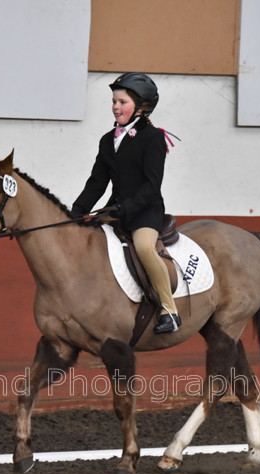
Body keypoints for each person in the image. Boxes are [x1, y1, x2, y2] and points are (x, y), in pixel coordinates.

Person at [70, 72, 180, 334]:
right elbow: (97, 181)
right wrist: (78, 209)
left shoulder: (152, 137)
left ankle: (170, 310)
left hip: (144, 212)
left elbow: (152, 186)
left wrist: (128, 207)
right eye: (114, 101)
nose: (116, 107)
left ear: (141, 107)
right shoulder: (108, 140)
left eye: (122, 102)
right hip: (115, 210)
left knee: (143, 248)